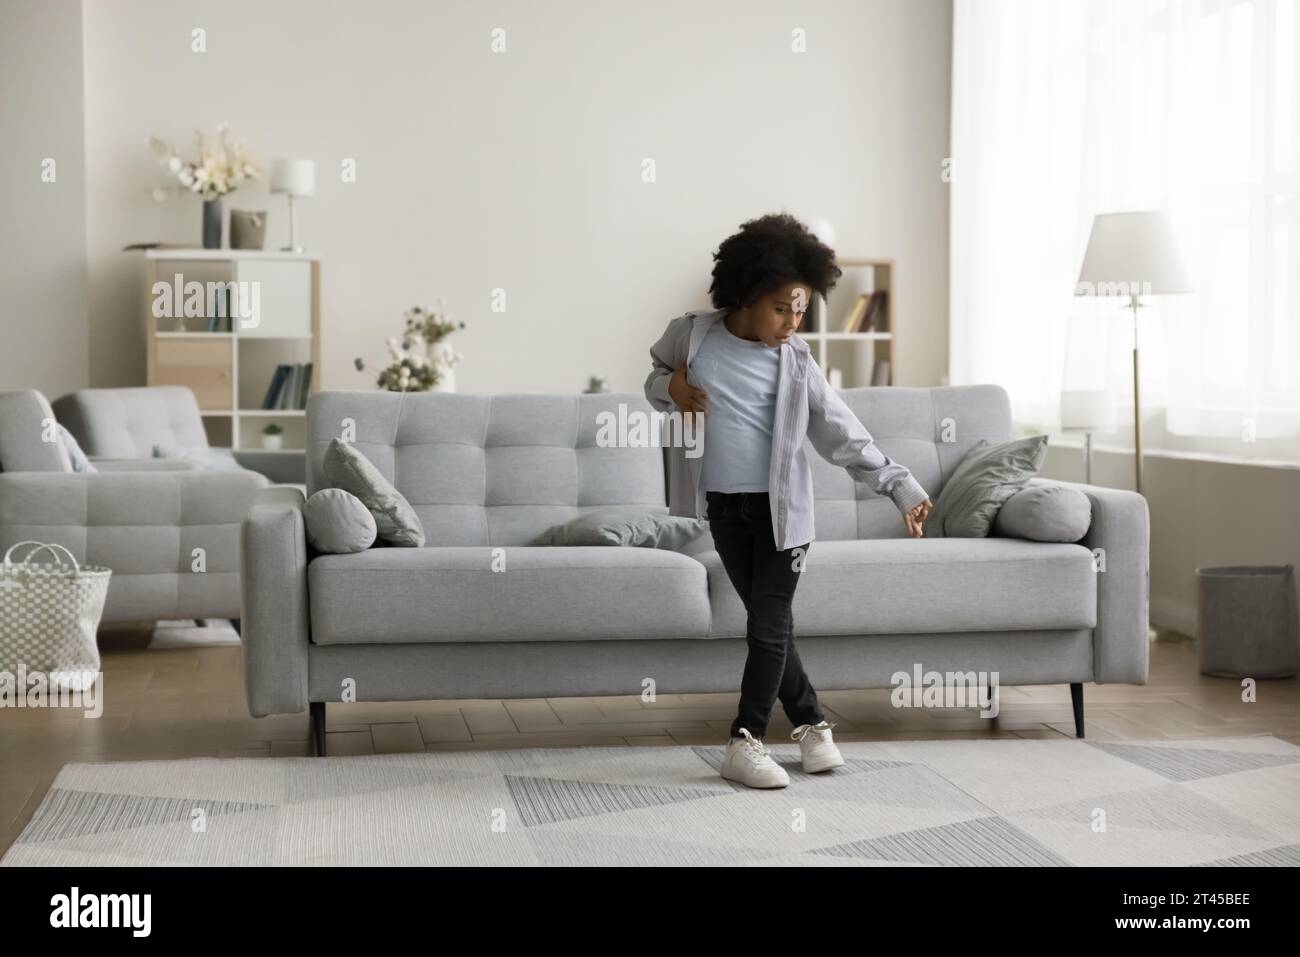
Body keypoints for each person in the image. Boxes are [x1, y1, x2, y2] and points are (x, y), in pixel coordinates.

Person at [643, 213, 934, 789]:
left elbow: (840, 432)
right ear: (748, 294)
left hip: (786, 517)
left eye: (802, 310)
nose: (794, 321)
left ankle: (744, 738)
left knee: (769, 624)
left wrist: (898, 484)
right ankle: (813, 726)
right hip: (725, 508)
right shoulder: (693, 335)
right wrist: (670, 388)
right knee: (769, 625)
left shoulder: (796, 361)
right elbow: (654, 377)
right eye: (783, 308)